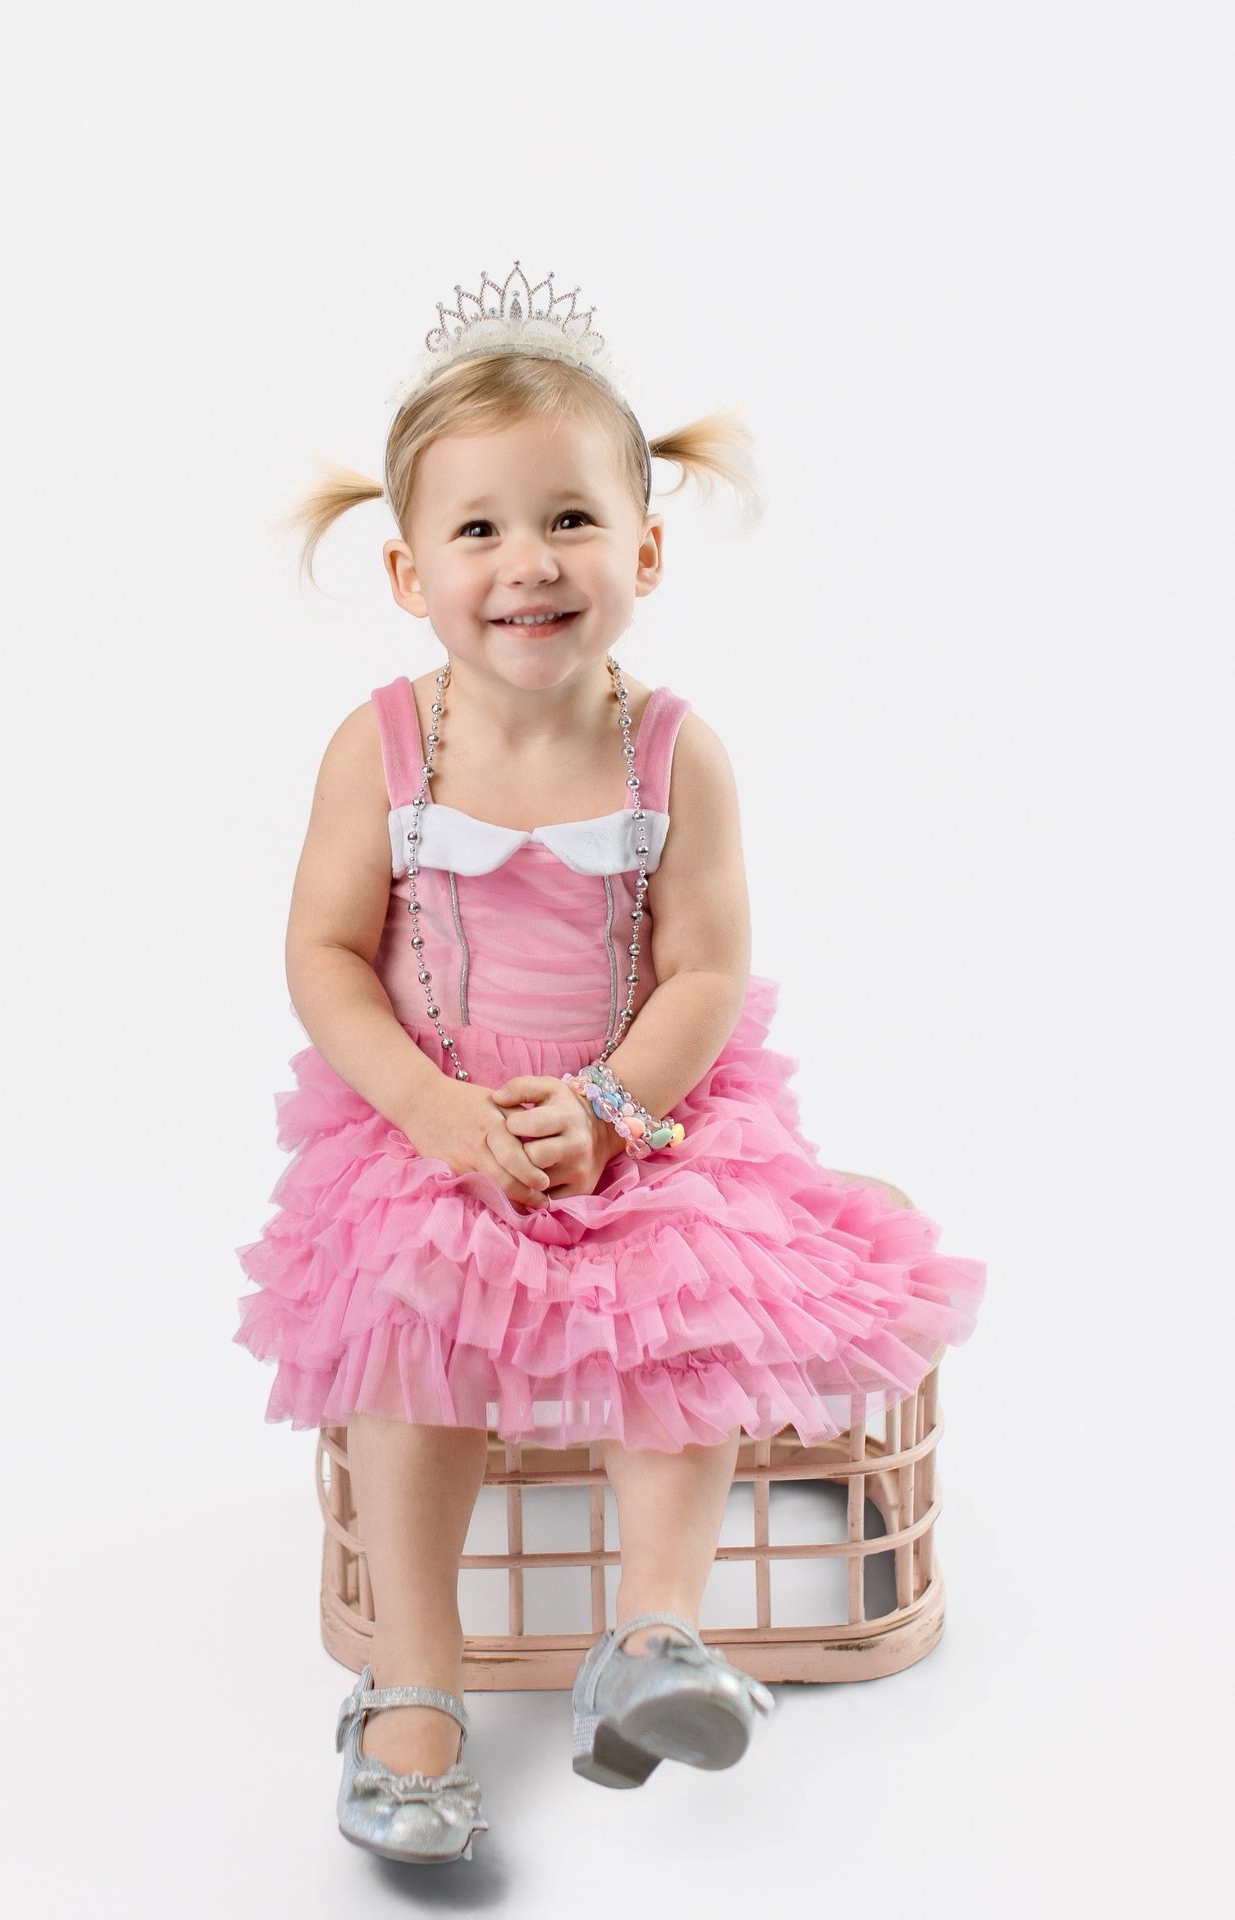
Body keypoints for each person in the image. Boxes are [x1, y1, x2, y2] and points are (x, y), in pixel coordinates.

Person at [233, 262, 987, 1864]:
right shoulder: (379, 749)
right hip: (432, 1110)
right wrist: (433, 1110)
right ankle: (414, 1684)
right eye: (481, 530)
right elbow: (320, 957)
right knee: (407, 1314)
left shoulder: (670, 750)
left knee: (688, 1294)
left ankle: (648, 1640)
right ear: (408, 571)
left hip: (637, 1104)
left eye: (571, 520)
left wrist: (614, 1109)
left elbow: (707, 964)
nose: (529, 563)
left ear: (644, 549)